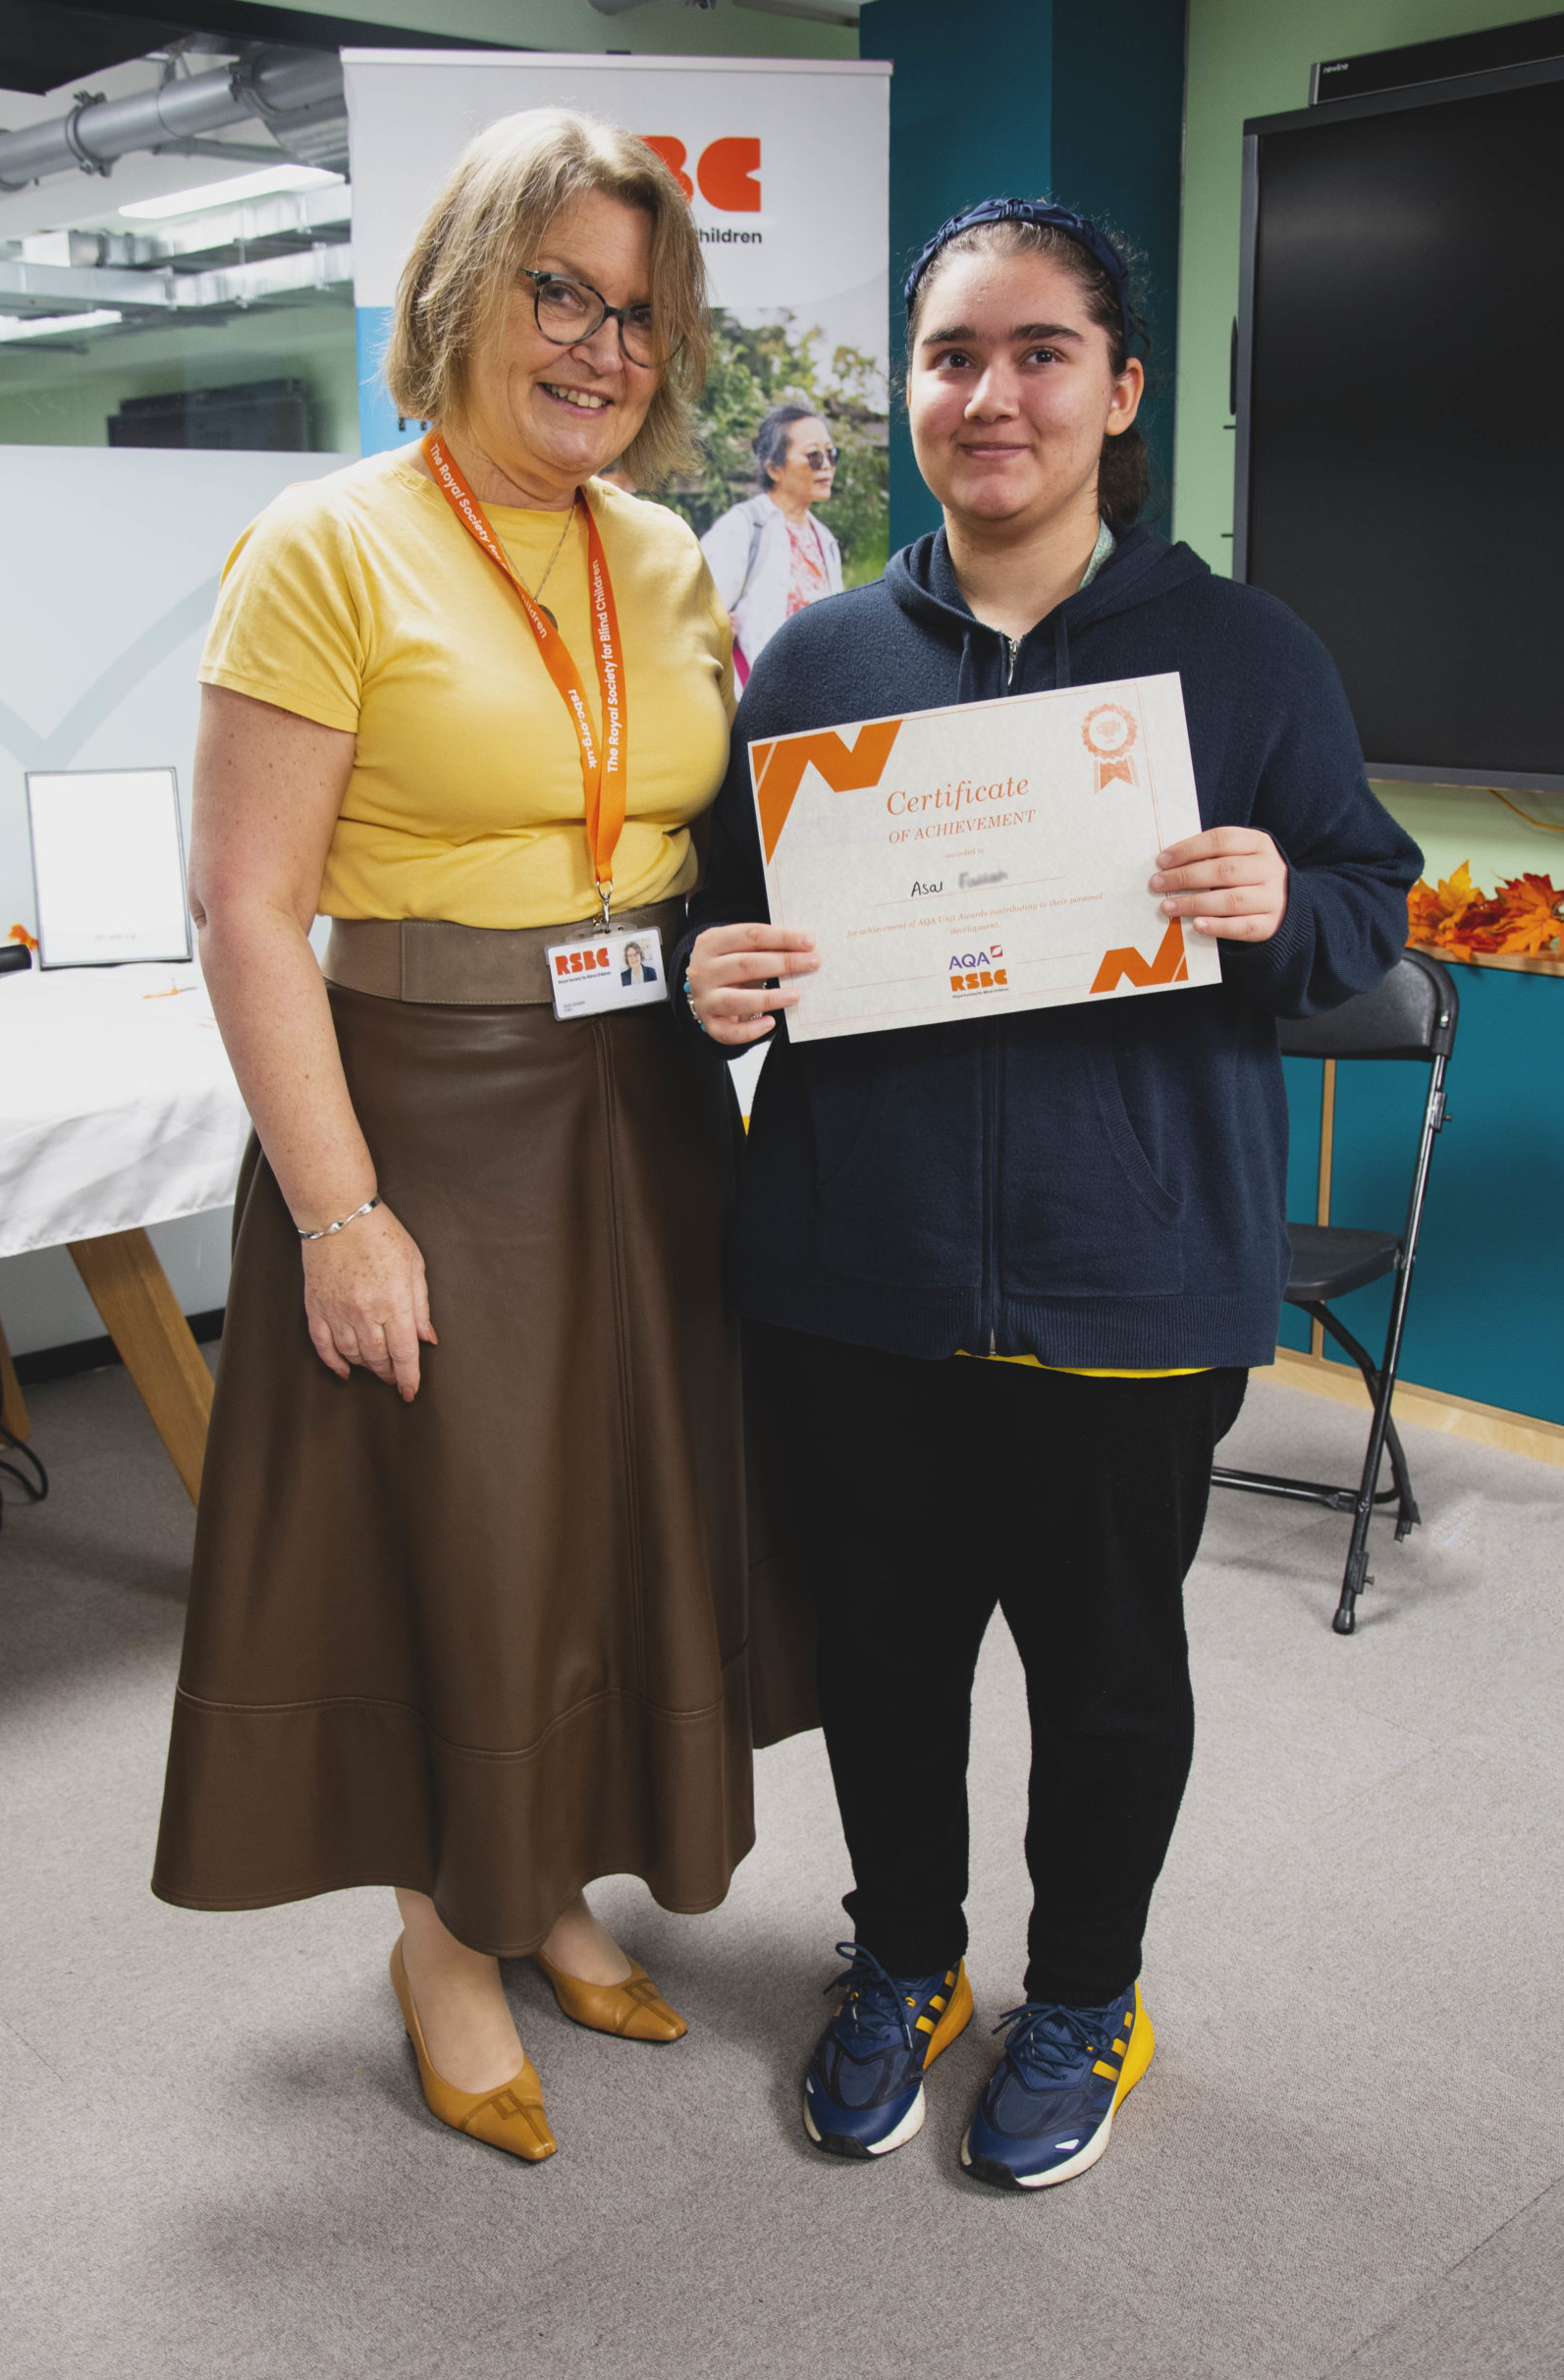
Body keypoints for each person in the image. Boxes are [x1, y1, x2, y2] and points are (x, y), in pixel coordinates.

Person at [675, 196, 1421, 2190]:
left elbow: (1369, 899)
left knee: (1104, 1676)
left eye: (1033, 352)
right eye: (947, 356)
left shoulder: (1243, 651)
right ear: (904, 388)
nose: (985, 394)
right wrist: (709, 971)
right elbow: (719, 922)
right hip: (857, 1277)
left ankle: (1083, 1981)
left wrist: (1287, 902)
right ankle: (904, 1956)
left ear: (1118, 388)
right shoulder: (818, 657)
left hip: (1127, 1275)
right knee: (884, 1659)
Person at [153, 107, 812, 2166]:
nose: (600, 345)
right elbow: (248, 902)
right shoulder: (328, 542)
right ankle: (444, 1932)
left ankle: (546, 1878)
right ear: (462, 289)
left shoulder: (660, 555)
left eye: (636, 310)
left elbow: (705, 844)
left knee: (618, 1514)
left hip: (645, 1097)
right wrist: (336, 1208)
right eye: (559, 290)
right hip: (423, 1100)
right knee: (469, 1529)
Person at [700, 399, 843, 686]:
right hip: (753, 704)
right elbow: (695, 617)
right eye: (814, 456)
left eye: (832, 455)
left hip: (813, 705)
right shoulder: (744, 527)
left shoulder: (824, 538)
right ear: (774, 468)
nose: (826, 465)